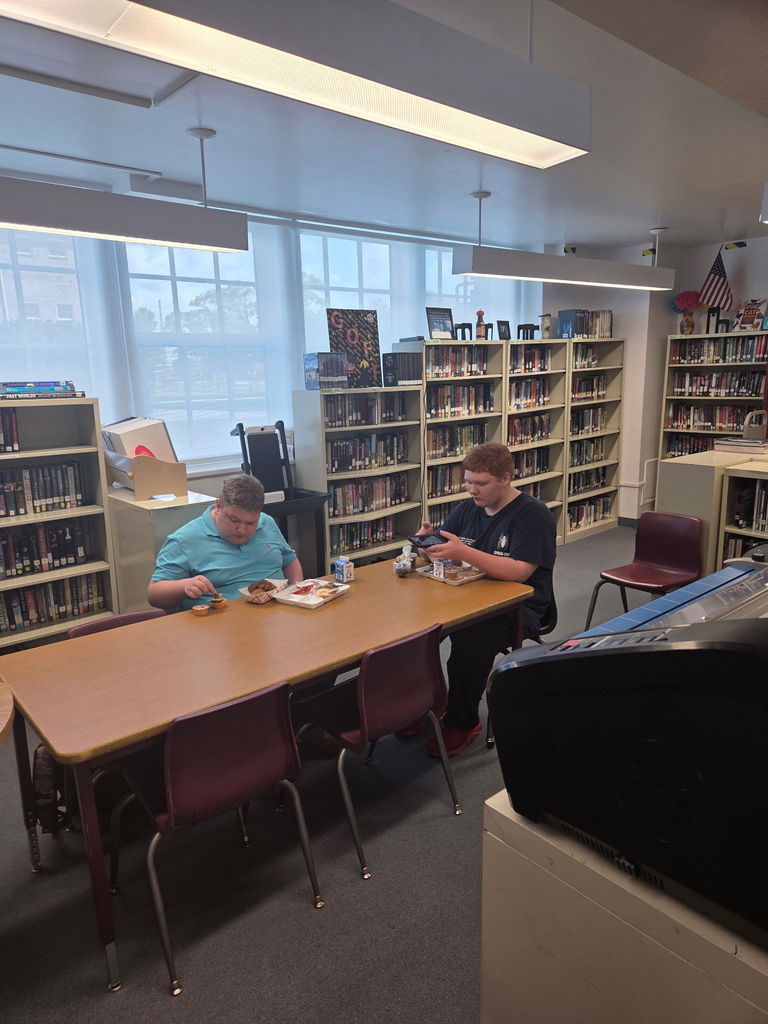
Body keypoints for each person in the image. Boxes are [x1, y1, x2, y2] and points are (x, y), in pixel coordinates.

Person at [415, 442, 556, 758]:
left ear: (505, 479)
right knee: (415, 633)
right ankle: (422, 706)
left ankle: (463, 723)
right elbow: (446, 545)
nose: (471, 490)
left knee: (469, 643)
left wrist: (464, 553)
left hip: (519, 605)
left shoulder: (533, 515)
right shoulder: (469, 508)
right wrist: (428, 544)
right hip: (467, 596)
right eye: (467, 482)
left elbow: (520, 571)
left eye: (480, 483)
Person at [147, 474, 303, 612]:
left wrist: (296, 594)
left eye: (250, 523)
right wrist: (184, 586)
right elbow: (154, 595)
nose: (241, 530)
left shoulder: (266, 522)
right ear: (218, 506)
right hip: (218, 626)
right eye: (234, 520)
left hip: (275, 618)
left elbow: (290, 561)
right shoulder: (184, 540)